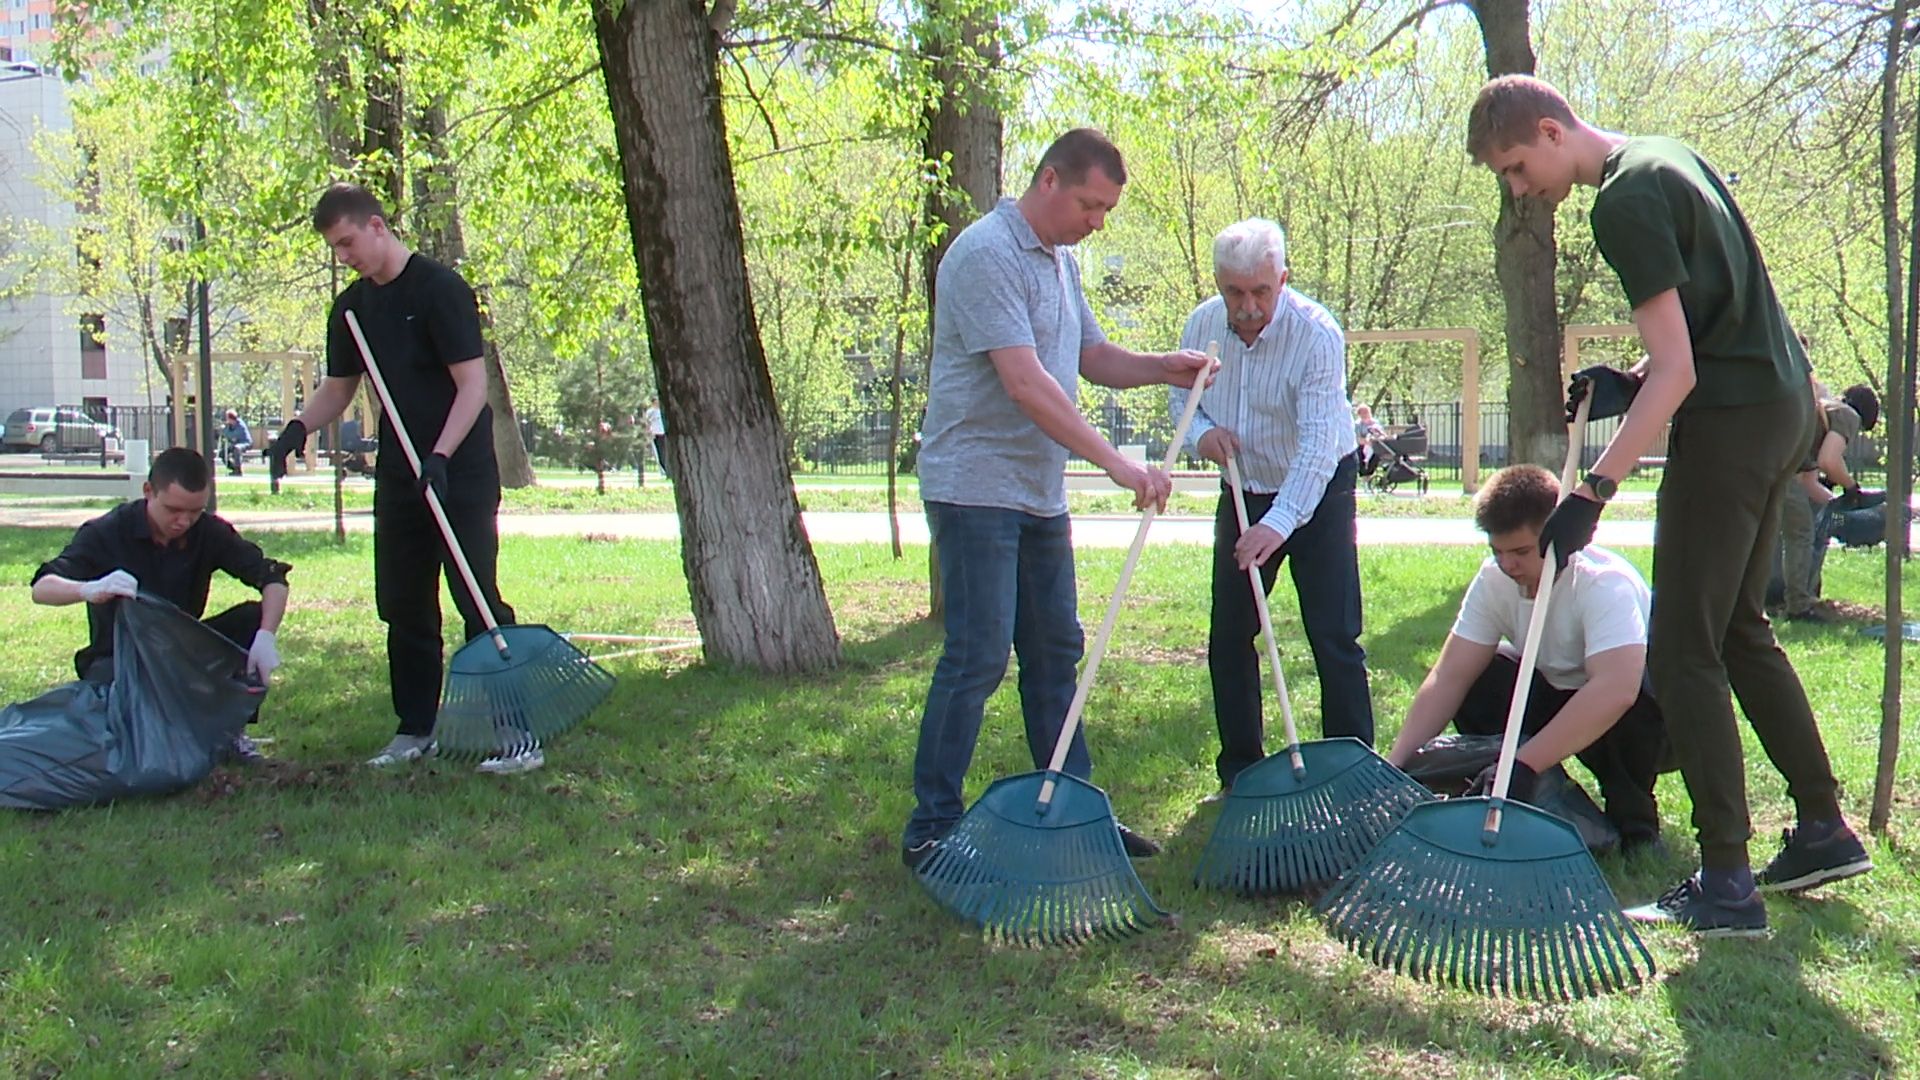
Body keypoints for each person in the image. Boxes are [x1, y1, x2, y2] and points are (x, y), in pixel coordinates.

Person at [1468, 75, 1872, 936]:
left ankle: (1725, 879)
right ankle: (1824, 827)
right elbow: (1704, 329)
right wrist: (1630, 380)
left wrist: (1593, 490)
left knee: (1684, 646)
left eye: (1514, 167)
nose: (1518, 189)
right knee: (1737, 629)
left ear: (1549, 130)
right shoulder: (1667, 157)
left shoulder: (1619, 203)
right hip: (1783, 406)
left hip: (1728, 424)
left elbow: (1685, 371)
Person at [901, 128, 1213, 870]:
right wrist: (1115, 464)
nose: (1096, 221)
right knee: (977, 656)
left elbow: (1088, 358)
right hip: (975, 489)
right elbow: (1026, 382)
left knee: (1054, 651)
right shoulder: (984, 255)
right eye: (1089, 204)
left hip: (1036, 494)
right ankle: (931, 825)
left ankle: (1073, 808)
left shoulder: (1062, 262)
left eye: (1105, 210)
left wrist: (1166, 368)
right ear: (1048, 181)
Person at [267, 182, 530, 775]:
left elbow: (472, 387)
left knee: (475, 595)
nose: (345, 256)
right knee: (403, 601)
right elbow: (339, 389)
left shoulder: (440, 290)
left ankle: (513, 728)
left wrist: (440, 455)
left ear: (378, 226)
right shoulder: (352, 310)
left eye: (348, 242)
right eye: (335, 249)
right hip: (399, 474)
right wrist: (296, 428)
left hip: (456, 469)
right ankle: (415, 728)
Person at [1170, 217, 1374, 798]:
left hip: (1318, 487)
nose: (1249, 306)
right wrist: (1200, 435)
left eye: (1262, 291)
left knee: (1333, 634)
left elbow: (1315, 448)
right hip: (1242, 485)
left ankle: (1351, 774)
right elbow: (1181, 402)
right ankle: (1241, 773)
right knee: (1229, 636)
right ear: (1218, 283)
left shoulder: (1316, 334)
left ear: (1283, 278)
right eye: (1235, 292)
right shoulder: (1201, 325)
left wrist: (1276, 527)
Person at [1384, 464, 1667, 849]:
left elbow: (1616, 690)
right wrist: (1394, 766)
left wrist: (1525, 764)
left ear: (1557, 537)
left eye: (1520, 551)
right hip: (1553, 691)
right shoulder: (1494, 579)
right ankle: (1517, 795)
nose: (1507, 565)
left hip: (1639, 718)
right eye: (1497, 551)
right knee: (1484, 675)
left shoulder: (1603, 583)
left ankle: (1634, 822)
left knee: (1628, 701)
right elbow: (1450, 675)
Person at [30, 447, 288, 762]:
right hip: (119, 659)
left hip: (179, 648)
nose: (184, 521)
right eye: (173, 510)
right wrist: (89, 589)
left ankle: (231, 734)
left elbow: (272, 577)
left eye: (195, 511)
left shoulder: (207, 531)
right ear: (148, 492)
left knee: (253, 616)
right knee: (128, 740)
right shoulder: (109, 531)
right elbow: (42, 587)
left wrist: (266, 635)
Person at [1778, 370, 1879, 621]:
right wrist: (1852, 488)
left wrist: (1846, 507)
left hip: (1773, 463)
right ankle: (1798, 606)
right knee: (1801, 533)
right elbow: (1829, 461)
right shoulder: (1847, 415)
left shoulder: (1820, 418)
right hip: (1779, 467)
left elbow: (1809, 483)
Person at [220, 410, 252, 476]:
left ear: (230, 418)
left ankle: (238, 470)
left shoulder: (240, 425)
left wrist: (226, 433)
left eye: (227, 418)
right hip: (235, 444)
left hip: (245, 443)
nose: (226, 419)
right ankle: (233, 468)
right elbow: (225, 434)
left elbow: (233, 435)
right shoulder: (229, 425)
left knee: (237, 448)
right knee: (222, 453)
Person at [643, 399, 669, 480]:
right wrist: (649, 432)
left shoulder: (662, 411)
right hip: (656, 434)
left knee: (665, 452)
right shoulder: (651, 411)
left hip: (663, 433)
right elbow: (647, 422)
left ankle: (667, 469)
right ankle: (663, 470)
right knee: (660, 453)